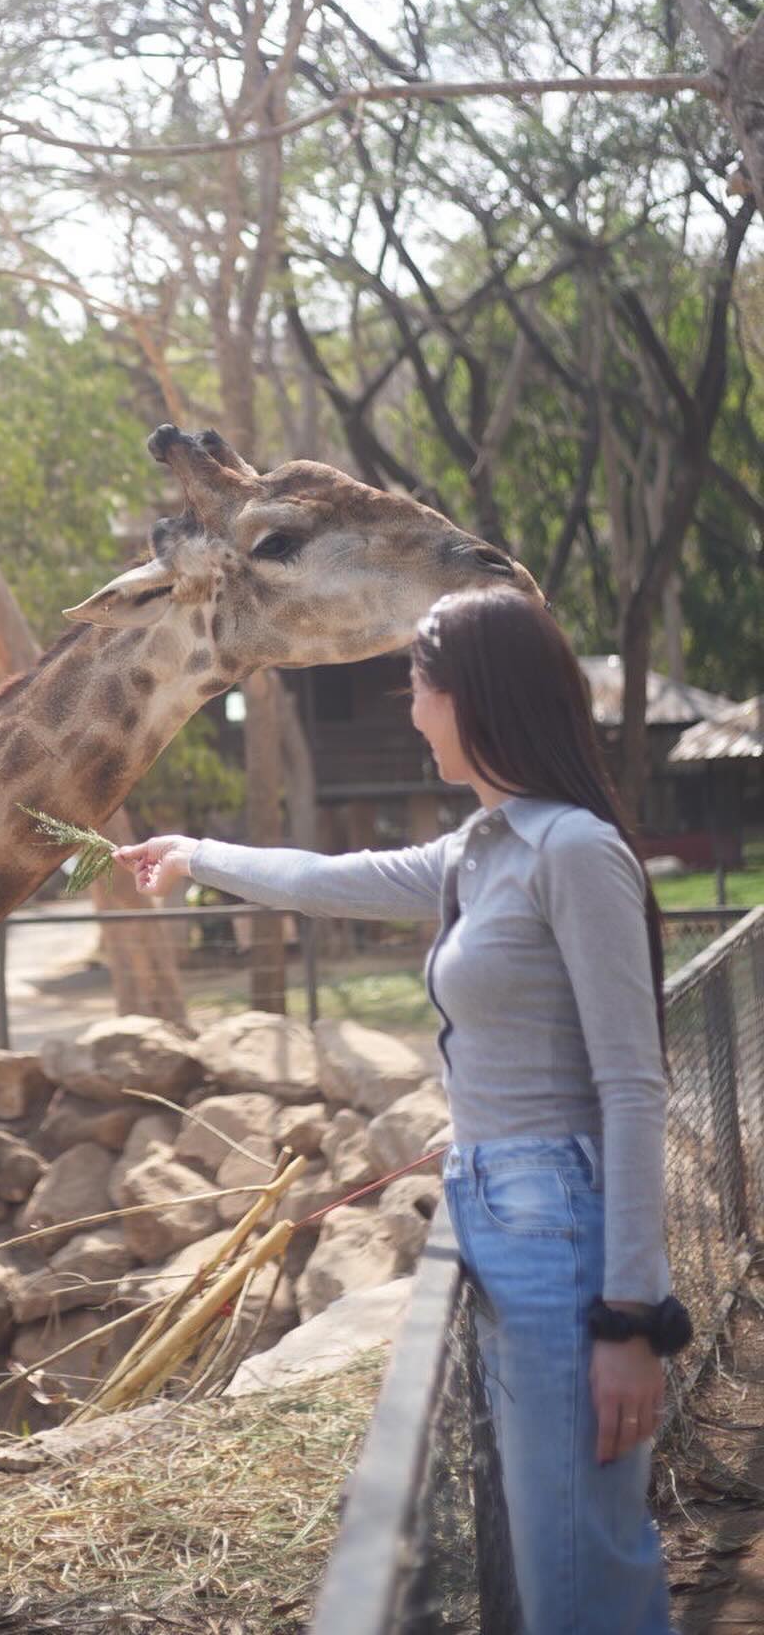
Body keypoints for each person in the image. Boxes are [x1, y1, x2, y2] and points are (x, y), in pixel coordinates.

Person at [115, 587, 689, 1635]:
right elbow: (328, 877)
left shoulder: (573, 852)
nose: (411, 713)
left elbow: (633, 1084)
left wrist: (631, 1319)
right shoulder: (483, 849)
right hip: (498, 1208)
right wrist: (195, 856)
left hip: (559, 1225)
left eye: (419, 690)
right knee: (556, 1543)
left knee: (577, 1562)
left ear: (475, 698)